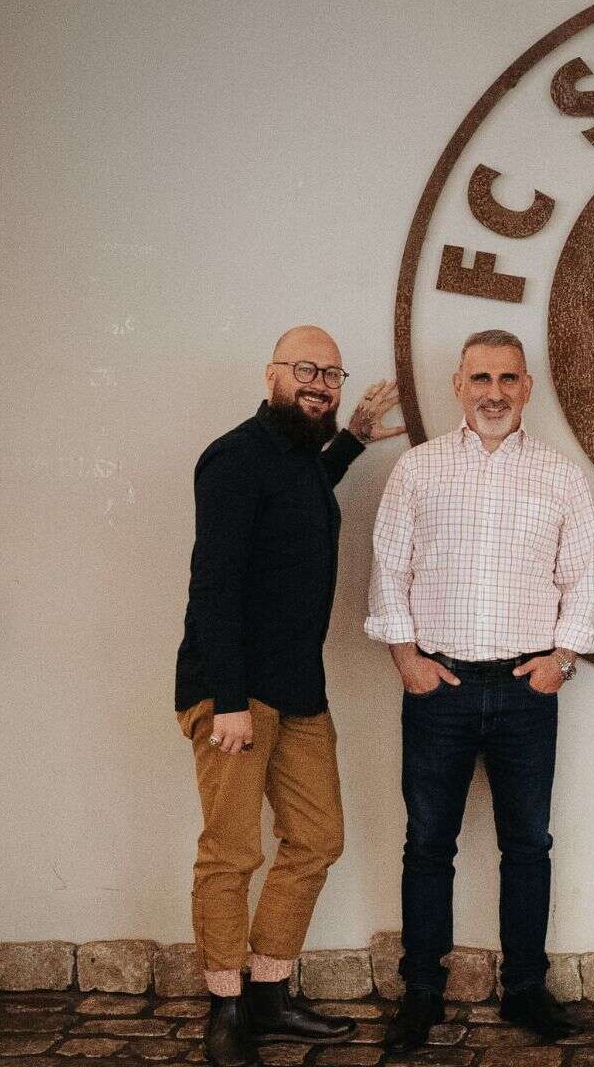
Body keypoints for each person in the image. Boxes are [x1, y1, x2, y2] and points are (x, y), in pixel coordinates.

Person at [366, 329, 594, 1052]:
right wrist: (406, 658)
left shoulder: (560, 475)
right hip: (439, 687)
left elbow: (582, 575)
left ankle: (526, 988)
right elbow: (389, 569)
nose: (493, 392)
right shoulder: (417, 470)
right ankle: (423, 992)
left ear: (527, 387)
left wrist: (563, 657)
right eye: (479, 379)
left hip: (528, 690)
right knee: (428, 845)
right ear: (458, 387)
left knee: (528, 845)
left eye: (507, 378)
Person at [174, 326, 403, 1065]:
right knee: (231, 852)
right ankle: (226, 1008)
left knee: (316, 840)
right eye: (307, 370)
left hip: (299, 690)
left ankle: (270, 992)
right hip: (234, 691)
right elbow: (212, 584)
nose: (321, 385)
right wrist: (230, 701)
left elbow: (301, 499)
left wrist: (355, 440)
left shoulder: (301, 457)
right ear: (270, 373)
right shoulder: (234, 458)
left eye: (332, 375)